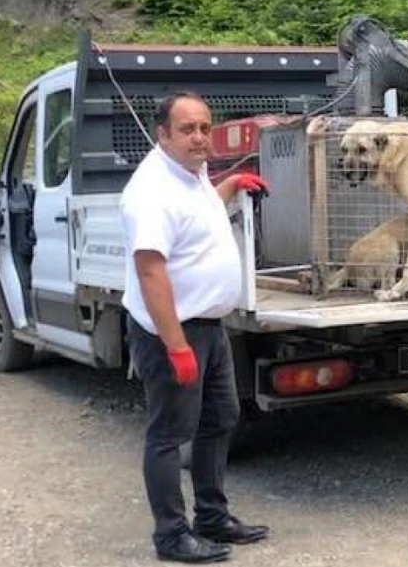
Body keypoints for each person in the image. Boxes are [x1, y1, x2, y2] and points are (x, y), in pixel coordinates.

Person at [120, 92, 271, 563]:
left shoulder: (192, 172)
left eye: (205, 127)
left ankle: (212, 517)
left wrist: (231, 187)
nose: (200, 137)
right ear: (161, 134)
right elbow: (150, 272)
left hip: (209, 326)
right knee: (169, 434)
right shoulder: (150, 193)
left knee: (220, 418)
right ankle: (171, 536)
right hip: (173, 332)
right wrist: (176, 346)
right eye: (187, 129)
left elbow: (200, 212)